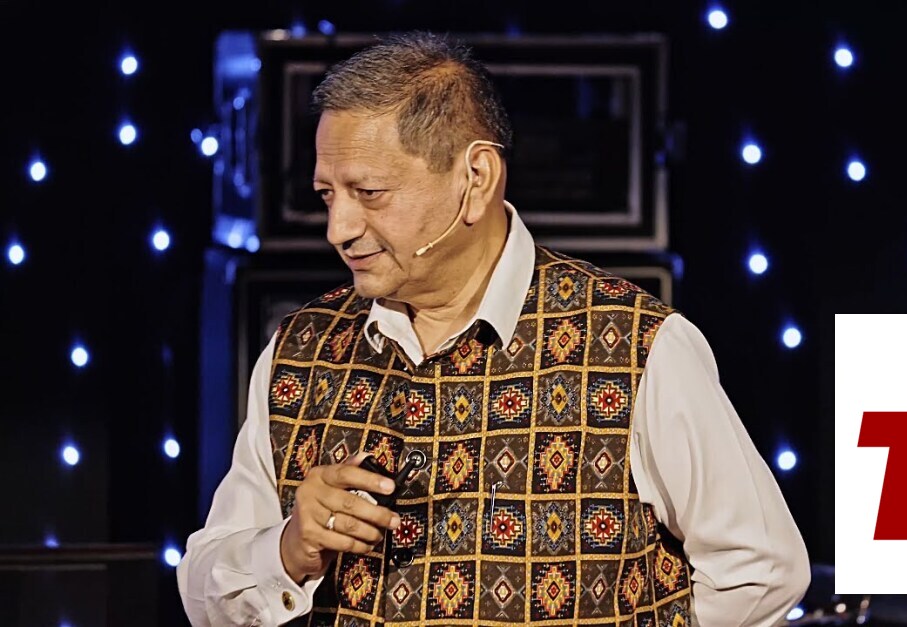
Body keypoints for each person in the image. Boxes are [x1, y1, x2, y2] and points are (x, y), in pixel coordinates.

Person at [177, 31, 810, 627]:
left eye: (369, 193)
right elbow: (202, 589)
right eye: (327, 195)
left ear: (475, 180)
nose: (338, 229)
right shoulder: (300, 349)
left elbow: (761, 569)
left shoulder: (637, 345)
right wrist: (287, 549)